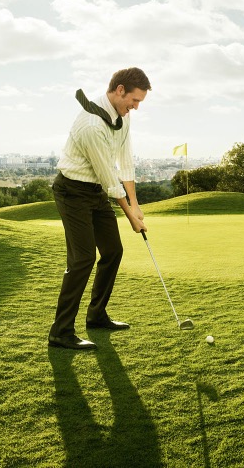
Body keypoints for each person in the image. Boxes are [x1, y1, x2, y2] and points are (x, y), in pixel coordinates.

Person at [48, 67, 150, 351]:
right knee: (82, 259)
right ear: (120, 90)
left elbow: (125, 161)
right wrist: (130, 216)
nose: (136, 107)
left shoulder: (122, 116)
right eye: (135, 100)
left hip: (95, 192)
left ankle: (96, 315)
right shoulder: (91, 125)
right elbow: (109, 178)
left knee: (113, 251)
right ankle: (60, 332)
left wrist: (136, 205)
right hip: (72, 191)